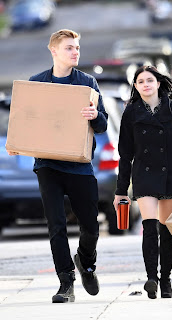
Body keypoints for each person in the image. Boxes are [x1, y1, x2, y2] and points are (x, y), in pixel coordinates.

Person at [8, 29, 108, 303]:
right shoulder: (37, 83)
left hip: (79, 165)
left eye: (77, 47)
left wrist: (94, 114)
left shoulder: (87, 83)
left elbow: (102, 126)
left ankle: (86, 263)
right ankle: (66, 282)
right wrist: (17, 142)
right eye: (69, 48)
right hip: (48, 165)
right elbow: (25, 121)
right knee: (56, 225)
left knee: (91, 225)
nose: (75, 52)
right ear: (53, 51)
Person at [113, 66, 172, 299]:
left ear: (158, 83)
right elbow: (125, 155)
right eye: (140, 81)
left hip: (169, 175)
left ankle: (165, 280)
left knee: (167, 230)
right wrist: (120, 190)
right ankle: (151, 279)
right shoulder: (131, 112)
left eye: (150, 80)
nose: (145, 84)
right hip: (144, 175)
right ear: (135, 87)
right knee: (149, 226)